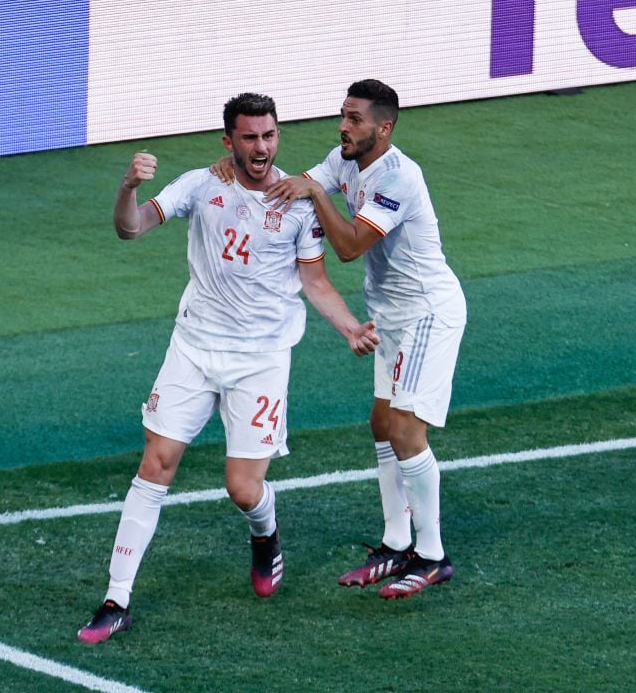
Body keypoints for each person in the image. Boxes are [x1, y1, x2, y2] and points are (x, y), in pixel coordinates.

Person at [77, 92, 379, 644]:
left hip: (260, 361)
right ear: (229, 142)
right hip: (193, 348)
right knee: (157, 464)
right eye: (249, 137)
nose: (261, 147)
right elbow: (131, 228)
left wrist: (350, 327)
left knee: (243, 489)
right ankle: (115, 598)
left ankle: (265, 535)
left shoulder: (298, 202)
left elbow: (314, 280)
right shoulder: (203, 184)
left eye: (268, 136)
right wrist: (128, 187)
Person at [224, 79, 467, 599]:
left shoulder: (399, 177)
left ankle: (432, 555)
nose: (344, 126)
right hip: (390, 315)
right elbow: (288, 187)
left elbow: (352, 245)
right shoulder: (343, 159)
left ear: (385, 127)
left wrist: (315, 193)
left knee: (405, 429)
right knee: (382, 423)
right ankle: (396, 542)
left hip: (427, 312)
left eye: (355, 119)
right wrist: (236, 173)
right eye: (343, 115)